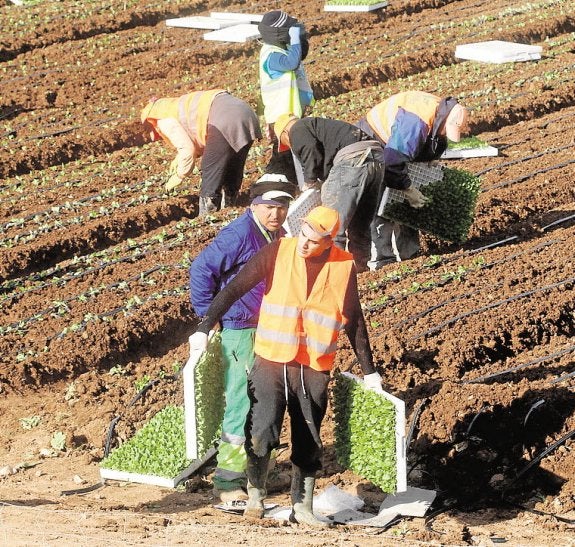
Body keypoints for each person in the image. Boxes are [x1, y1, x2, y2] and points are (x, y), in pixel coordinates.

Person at [188, 206, 386, 527]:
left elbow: (355, 319)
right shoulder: (279, 250)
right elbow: (235, 288)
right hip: (271, 359)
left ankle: (302, 506)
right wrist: (205, 323)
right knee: (261, 429)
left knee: (309, 435)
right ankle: (255, 497)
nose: (305, 245)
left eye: (314, 241)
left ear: (329, 241)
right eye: (304, 235)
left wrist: (370, 370)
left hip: (312, 366)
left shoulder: (342, 266)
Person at [190, 174, 297, 503]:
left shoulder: (276, 233)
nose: (275, 214)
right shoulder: (238, 234)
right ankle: (228, 480)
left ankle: (257, 469)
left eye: (282, 207)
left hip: (267, 326)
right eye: (269, 207)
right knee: (241, 400)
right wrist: (211, 317)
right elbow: (201, 269)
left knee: (267, 399)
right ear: (254, 206)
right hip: (240, 328)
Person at [272, 113, 428, 271]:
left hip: (353, 159)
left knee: (331, 223)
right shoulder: (322, 127)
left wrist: (310, 181)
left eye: (286, 143)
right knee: (360, 224)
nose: (290, 147)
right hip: (376, 159)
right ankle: (360, 268)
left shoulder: (297, 128)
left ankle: (333, 270)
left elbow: (310, 152)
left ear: (284, 133)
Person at [356, 91, 470, 268]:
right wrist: (408, 189)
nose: (445, 133)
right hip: (372, 143)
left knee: (409, 204)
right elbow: (392, 162)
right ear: (447, 120)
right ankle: (383, 260)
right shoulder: (415, 124)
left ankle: (410, 255)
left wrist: (431, 156)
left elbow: (436, 136)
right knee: (381, 201)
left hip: (394, 146)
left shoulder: (441, 112)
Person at [140, 89, 262, 214]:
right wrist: (178, 158)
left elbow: (188, 150)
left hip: (224, 120)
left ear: (151, 120)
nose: (153, 137)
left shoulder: (164, 120)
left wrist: (179, 176)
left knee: (210, 171)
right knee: (232, 167)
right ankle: (229, 210)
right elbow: (193, 133)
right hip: (247, 115)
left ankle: (208, 216)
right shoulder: (176, 106)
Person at [257, 10, 314, 185]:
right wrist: (295, 37)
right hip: (281, 116)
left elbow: (300, 54)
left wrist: (300, 38)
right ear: (278, 34)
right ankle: (271, 186)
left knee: (290, 152)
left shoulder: (281, 48)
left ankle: (288, 184)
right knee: (282, 154)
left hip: (290, 114)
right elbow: (292, 62)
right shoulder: (271, 55)